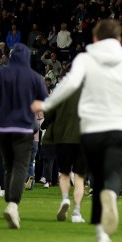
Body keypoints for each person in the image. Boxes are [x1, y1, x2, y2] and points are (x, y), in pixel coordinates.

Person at [33, 19, 122, 242]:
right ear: (120, 40)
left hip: (91, 129)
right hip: (119, 128)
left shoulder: (84, 60)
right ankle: (111, 198)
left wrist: (46, 103)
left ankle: (101, 238)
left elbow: (67, 87)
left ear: (96, 39)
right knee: (112, 178)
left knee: (97, 179)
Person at [0, 44, 48, 230]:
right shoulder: (35, 77)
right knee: (21, 166)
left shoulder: (1, 73)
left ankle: (9, 200)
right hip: (24, 128)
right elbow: (43, 101)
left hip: (3, 127)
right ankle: (13, 204)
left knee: (9, 166)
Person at [40, 86, 86, 223]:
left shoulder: (60, 92)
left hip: (63, 138)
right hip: (83, 138)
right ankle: (76, 212)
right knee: (79, 177)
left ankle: (65, 198)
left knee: (64, 173)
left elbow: (47, 114)